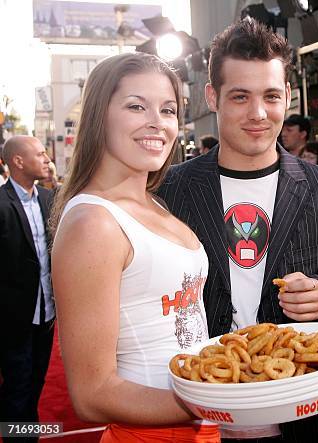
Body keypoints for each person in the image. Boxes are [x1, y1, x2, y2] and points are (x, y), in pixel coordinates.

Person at [157, 19, 318, 442]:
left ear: (287, 95)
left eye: (270, 95)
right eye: (240, 97)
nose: (258, 113)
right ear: (212, 97)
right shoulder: (169, 189)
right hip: (198, 417)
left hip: (302, 418)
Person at [49, 53, 220, 442]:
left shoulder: (155, 203)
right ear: (99, 116)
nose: (156, 123)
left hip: (203, 428)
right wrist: (220, 399)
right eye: (136, 106)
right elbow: (92, 395)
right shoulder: (93, 223)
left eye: (168, 109)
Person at [0, 136, 54, 441]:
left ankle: (26, 432)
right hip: (13, 317)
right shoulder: (1, 203)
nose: (46, 159)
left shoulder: (48, 199)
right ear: (18, 161)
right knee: (17, 386)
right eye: (40, 154)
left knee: (36, 382)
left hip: (45, 316)